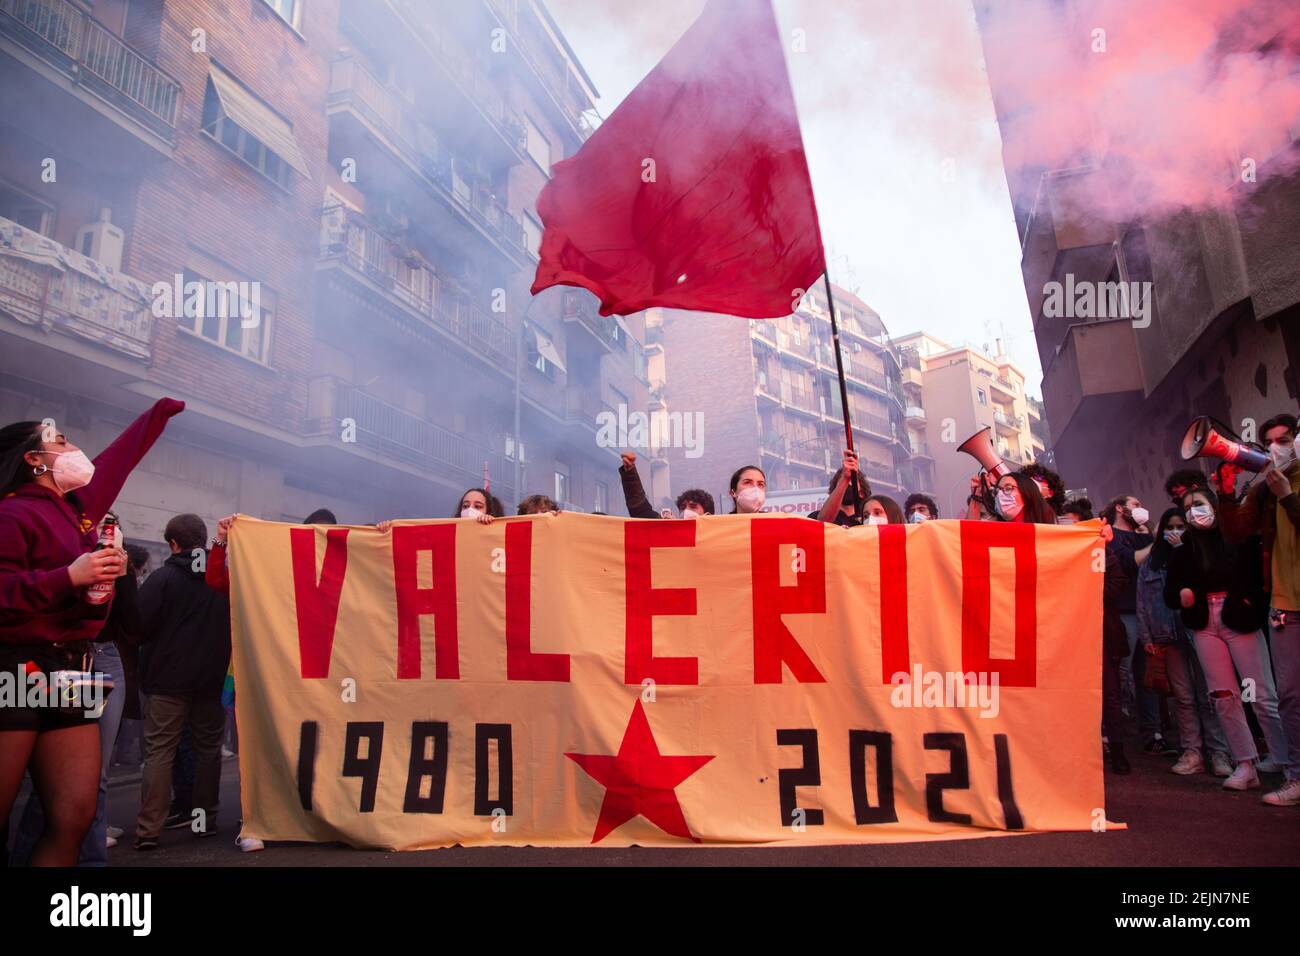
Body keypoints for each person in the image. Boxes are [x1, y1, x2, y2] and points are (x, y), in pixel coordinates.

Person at [0, 397, 184, 866]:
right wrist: (69, 577)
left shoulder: (78, 511)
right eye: (60, 440)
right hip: (20, 666)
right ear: (33, 460)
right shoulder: (10, 513)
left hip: (75, 668)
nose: (74, 446)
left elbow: (118, 461)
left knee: (75, 815)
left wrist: (156, 415)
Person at [1165, 487, 1290, 791]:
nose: (1194, 512)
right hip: (1203, 624)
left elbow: (1261, 581)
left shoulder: (1239, 541)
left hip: (1238, 620)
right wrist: (1181, 595)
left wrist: (1250, 606)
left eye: (1199, 505)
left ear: (1214, 506)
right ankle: (1245, 763)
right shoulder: (1183, 551)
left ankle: (1287, 762)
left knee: (1260, 693)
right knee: (1223, 696)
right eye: (1189, 508)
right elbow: (1169, 593)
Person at [1216, 412, 1300, 805]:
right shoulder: (1265, 489)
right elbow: (1235, 532)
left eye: (1285, 440)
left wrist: (1288, 494)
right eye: (1271, 443)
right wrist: (1228, 494)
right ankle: (1296, 775)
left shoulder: (1282, 487)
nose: (1278, 449)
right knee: (1290, 696)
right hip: (1285, 605)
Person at [134, 514, 232, 850]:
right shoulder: (224, 580)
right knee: (207, 752)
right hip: (212, 680)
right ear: (203, 540)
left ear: (173, 544)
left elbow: (138, 627)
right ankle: (204, 822)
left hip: (167, 680)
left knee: (160, 751)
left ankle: (149, 831)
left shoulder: (161, 579)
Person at [1136, 508, 1232, 777]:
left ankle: (1219, 752)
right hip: (1168, 636)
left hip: (1200, 630)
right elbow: (1142, 602)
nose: (1175, 531)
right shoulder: (1151, 563)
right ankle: (1192, 752)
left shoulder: (1197, 558)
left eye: (1181, 526)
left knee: (1208, 695)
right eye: (1171, 526)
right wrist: (1147, 638)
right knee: (1184, 697)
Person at [1101, 494, 1165, 752]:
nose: (1140, 508)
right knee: (1120, 674)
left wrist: (1152, 538)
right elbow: (1131, 561)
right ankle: (1113, 732)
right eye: (1135, 505)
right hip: (1124, 613)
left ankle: (1153, 732)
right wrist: (1156, 542)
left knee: (1148, 675)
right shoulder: (1110, 535)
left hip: (1149, 612)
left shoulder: (1144, 535)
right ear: (1120, 508)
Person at [618, 452, 714, 518]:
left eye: (693, 506)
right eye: (683, 508)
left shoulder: (719, 537)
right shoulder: (668, 529)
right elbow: (640, 511)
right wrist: (630, 473)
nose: (685, 511)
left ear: (708, 515)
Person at [814, 449, 870, 526]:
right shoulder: (815, 517)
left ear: (862, 493)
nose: (847, 483)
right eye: (841, 481)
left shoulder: (868, 521)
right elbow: (823, 523)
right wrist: (845, 478)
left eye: (851, 480)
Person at [985, 472, 1057, 524]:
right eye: (997, 491)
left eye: (1008, 488)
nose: (1000, 495)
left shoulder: (1049, 532)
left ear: (1026, 493)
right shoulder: (993, 532)